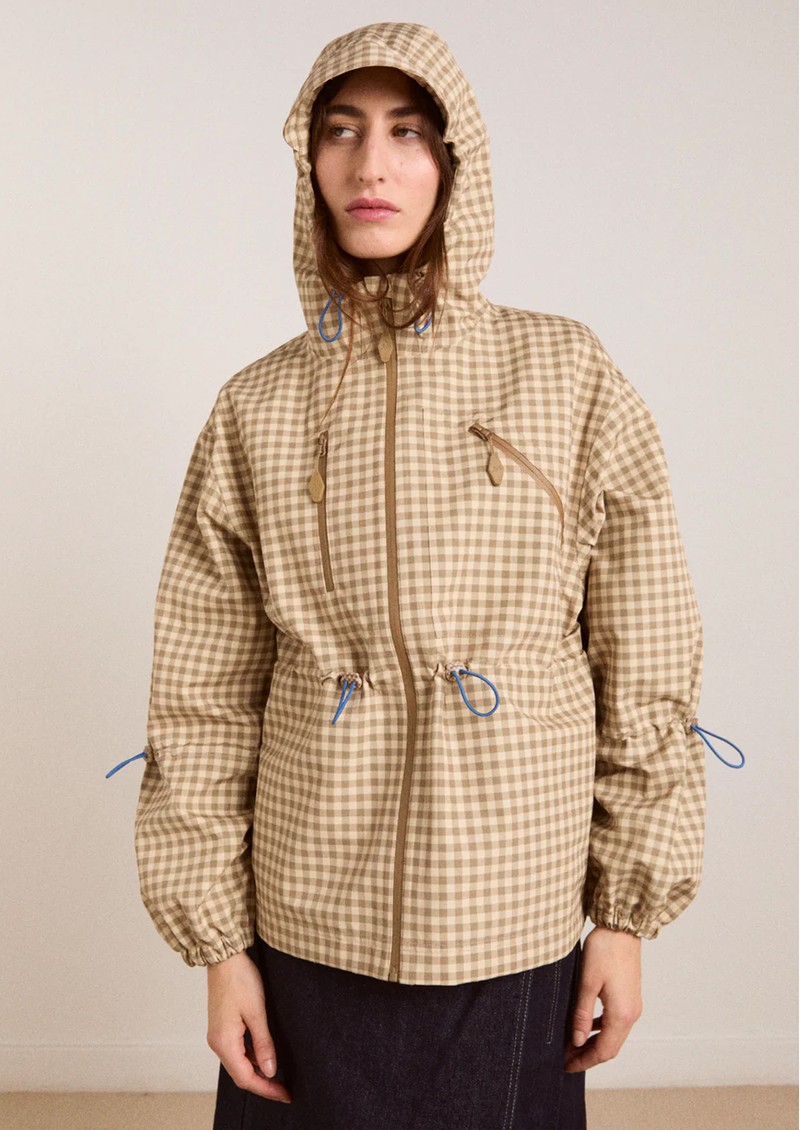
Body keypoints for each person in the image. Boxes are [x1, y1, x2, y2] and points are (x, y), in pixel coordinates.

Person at [130, 20, 723, 1129]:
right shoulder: (255, 406)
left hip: (512, 908)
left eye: (408, 132)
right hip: (307, 906)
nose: (372, 164)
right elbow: (202, 696)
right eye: (340, 130)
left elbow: (644, 653)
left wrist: (624, 915)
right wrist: (218, 946)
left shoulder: (566, 371)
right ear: (307, 160)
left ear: (457, 163)